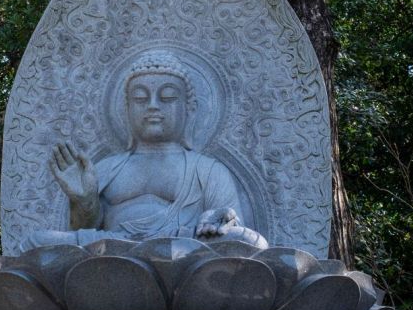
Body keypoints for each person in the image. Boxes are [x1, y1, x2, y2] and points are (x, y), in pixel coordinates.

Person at [27, 51, 266, 249]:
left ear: (189, 109)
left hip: (184, 247)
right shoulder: (107, 168)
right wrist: (84, 201)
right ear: (127, 108)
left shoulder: (207, 170)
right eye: (141, 98)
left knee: (249, 242)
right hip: (115, 248)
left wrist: (217, 220)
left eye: (167, 97)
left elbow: (233, 233)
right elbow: (82, 231)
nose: (153, 106)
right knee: (35, 243)